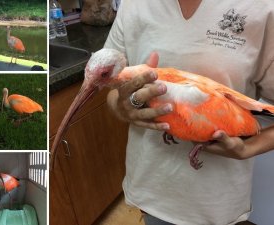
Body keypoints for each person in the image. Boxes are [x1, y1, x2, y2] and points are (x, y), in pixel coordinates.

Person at [104, 0, 274, 225]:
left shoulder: (262, 7)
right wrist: (122, 107)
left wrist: (249, 148)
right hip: (151, 188)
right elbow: (112, 91)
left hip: (216, 202)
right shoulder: (133, 4)